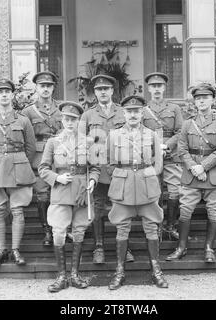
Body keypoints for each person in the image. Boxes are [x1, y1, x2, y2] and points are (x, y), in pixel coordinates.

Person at [106, 95, 168, 290]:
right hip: (123, 187)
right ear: (123, 113)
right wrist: (121, 176)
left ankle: (156, 271)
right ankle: (120, 271)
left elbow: (158, 164)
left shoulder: (152, 134)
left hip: (146, 185)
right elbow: (109, 163)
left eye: (136, 111)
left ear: (142, 113)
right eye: (129, 111)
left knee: (151, 226)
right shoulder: (114, 135)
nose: (133, 114)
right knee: (122, 228)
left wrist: (146, 175)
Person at [166, 83, 216, 263]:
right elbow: (182, 149)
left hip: (215, 174)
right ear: (194, 102)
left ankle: (209, 248)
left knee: (213, 211)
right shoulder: (188, 124)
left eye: (205, 98)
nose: (201, 101)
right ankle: (181, 247)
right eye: (197, 98)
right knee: (185, 211)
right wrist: (194, 168)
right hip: (191, 174)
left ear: (212, 100)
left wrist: (203, 167)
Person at [39, 101, 100, 293]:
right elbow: (43, 169)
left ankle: (74, 274)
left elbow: (95, 168)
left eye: (73, 119)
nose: (69, 122)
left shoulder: (88, 142)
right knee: (58, 232)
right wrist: (57, 177)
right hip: (61, 192)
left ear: (78, 120)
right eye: (66, 119)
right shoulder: (53, 142)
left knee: (79, 231)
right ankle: (61, 276)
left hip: (82, 192)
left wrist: (93, 181)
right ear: (61, 120)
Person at [0, 79, 36, 267]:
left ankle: (16, 250)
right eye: (0, 92)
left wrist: (18, 161)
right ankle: (1, 250)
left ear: (12, 95)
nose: (4, 94)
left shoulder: (23, 120)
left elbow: (30, 148)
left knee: (18, 210)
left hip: (19, 167)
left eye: (7, 91)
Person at [79, 74, 134, 264]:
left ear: (112, 91)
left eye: (106, 89)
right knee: (99, 208)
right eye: (99, 89)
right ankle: (99, 247)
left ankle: (124, 247)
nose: (103, 92)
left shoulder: (123, 112)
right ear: (94, 92)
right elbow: (80, 142)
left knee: (123, 207)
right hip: (98, 168)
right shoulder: (87, 115)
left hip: (120, 167)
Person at [22, 71, 62, 246]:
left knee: (60, 194)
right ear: (36, 88)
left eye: (49, 86)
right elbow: (24, 138)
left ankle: (60, 229)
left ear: (53, 88)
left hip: (59, 155)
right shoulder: (28, 111)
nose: (45, 89)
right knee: (43, 195)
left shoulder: (62, 108)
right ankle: (47, 231)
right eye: (42, 86)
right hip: (38, 157)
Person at [143, 72, 184, 240]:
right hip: (151, 156)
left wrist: (167, 145)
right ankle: (155, 226)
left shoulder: (174, 108)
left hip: (171, 155)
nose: (157, 89)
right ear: (148, 89)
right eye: (153, 86)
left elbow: (181, 131)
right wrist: (154, 147)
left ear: (164, 88)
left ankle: (170, 225)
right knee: (154, 191)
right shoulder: (144, 110)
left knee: (175, 191)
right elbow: (140, 132)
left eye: (159, 86)